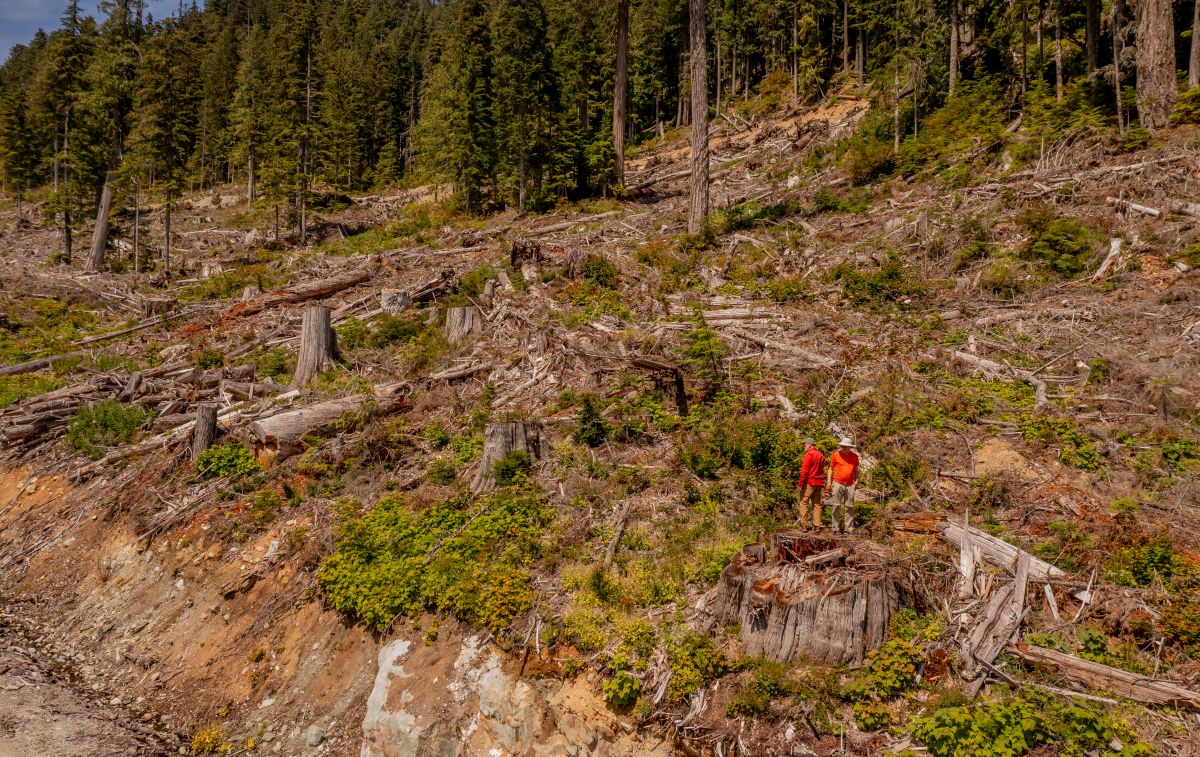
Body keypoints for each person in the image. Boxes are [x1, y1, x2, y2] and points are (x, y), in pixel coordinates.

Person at [827, 437, 860, 535]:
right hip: (837, 483)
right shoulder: (836, 455)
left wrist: (856, 480)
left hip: (850, 484)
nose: (843, 448)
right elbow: (830, 468)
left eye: (845, 447)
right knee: (836, 506)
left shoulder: (854, 456)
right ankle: (836, 529)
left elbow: (856, 469)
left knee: (849, 507)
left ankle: (849, 529)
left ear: (849, 447)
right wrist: (829, 481)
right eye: (842, 446)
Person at [796, 437, 826, 529]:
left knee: (803, 503)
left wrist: (800, 485)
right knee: (816, 504)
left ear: (809, 444)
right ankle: (817, 526)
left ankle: (804, 525)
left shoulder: (808, 455)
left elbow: (804, 472)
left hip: (809, 482)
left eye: (804, 444)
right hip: (819, 483)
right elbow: (822, 470)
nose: (803, 446)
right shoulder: (821, 455)